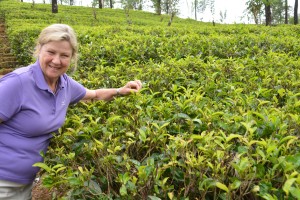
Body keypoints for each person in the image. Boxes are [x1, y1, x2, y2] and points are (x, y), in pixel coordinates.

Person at [0, 24, 142, 199]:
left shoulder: (64, 84)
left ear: (72, 58)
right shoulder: (18, 83)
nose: (56, 60)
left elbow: (94, 95)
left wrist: (121, 90)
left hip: (25, 181)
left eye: (64, 55)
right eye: (51, 52)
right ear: (39, 49)